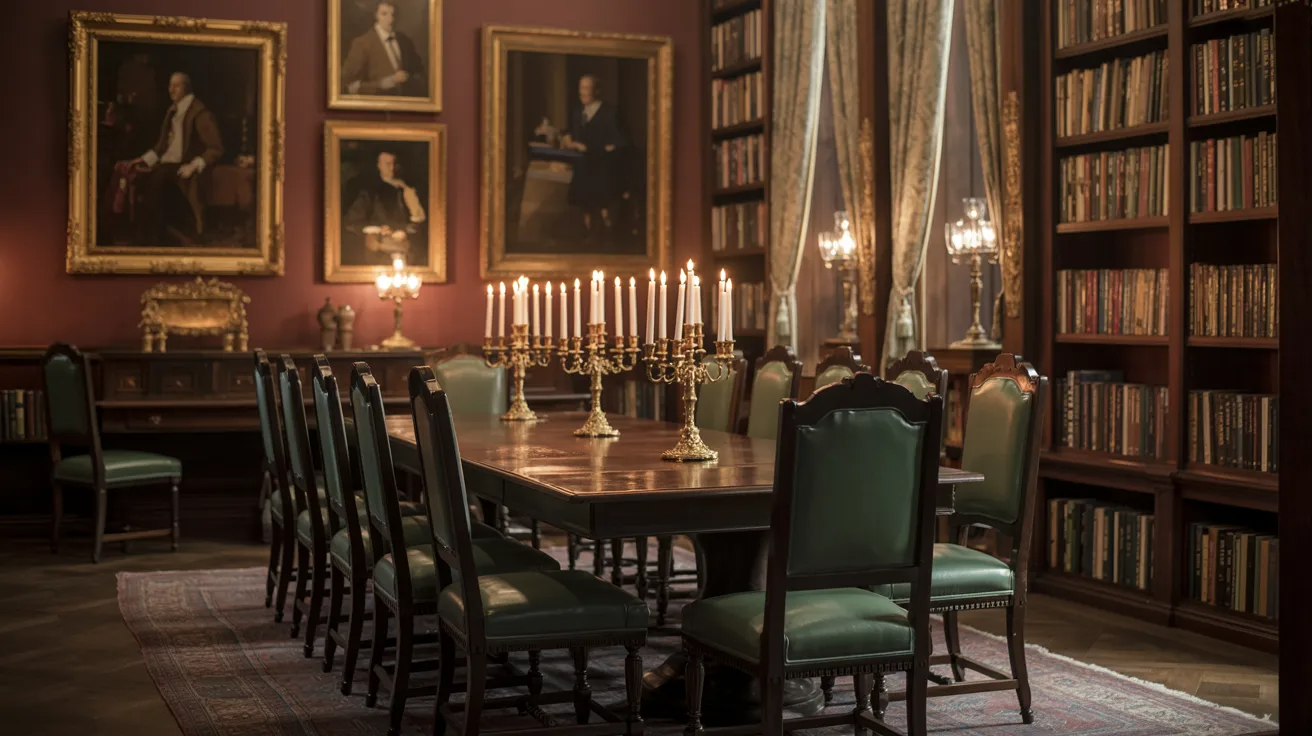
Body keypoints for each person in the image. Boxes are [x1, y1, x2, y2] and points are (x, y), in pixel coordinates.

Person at [127, 71, 224, 244]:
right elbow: (161, 146)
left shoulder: (200, 113)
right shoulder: (172, 111)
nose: (171, 90)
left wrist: (193, 166)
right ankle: (143, 236)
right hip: (167, 164)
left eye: (176, 86)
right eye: (170, 85)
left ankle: (150, 240)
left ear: (186, 88)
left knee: (156, 182)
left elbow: (215, 148)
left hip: (182, 166)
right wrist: (143, 159)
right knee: (133, 173)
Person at [560, 74, 628, 238]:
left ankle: (609, 236)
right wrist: (568, 139)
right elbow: (571, 132)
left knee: (604, 208)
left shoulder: (610, 112)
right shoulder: (578, 112)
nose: (582, 93)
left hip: (602, 168)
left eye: (586, 88)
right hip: (582, 168)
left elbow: (620, 142)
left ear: (596, 91)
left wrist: (593, 149)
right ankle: (588, 237)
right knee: (585, 206)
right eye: (581, 88)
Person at [344, 150, 426, 265]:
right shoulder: (369, 192)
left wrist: (404, 231)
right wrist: (377, 230)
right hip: (377, 254)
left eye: (394, 164)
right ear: (379, 165)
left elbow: (417, 222)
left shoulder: (407, 190)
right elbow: (351, 223)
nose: (392, 168)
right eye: (387, 164)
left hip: (405, 252)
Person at [341, 1, 426, 97]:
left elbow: (419, 73)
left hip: (405, 106)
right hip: (375, 107)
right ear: (376, 15)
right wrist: (385, 83)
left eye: (393, 14)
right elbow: (349, 86)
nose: (390, 19)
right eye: (384, 14)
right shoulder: (362, 43)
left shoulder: (405, 41)